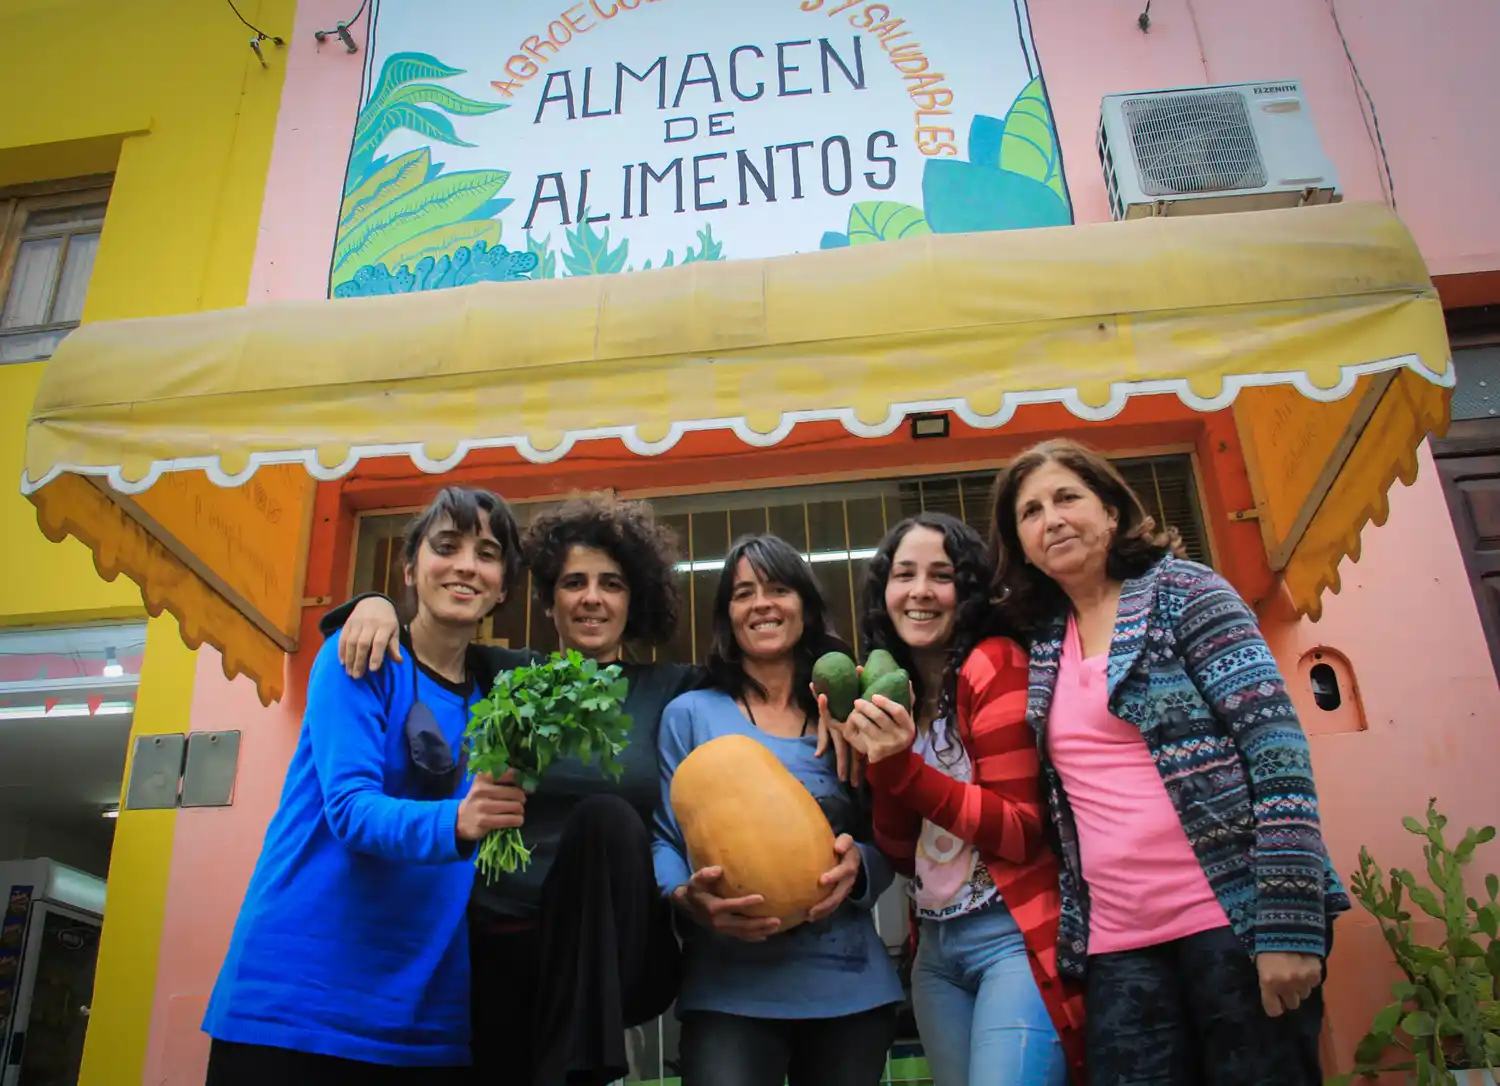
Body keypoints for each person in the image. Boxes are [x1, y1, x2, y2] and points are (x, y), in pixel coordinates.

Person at [988, 438, 1350, 1086]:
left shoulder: (1186, 593)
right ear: (1021, 544)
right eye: (1031, 511)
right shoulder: (1045, 640)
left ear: (1112, 510)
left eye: (1067, 497)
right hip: (1119, 944)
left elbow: (1278, 754)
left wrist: (1289, 923)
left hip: (1233, 921)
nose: (1052, 519)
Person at [320, 492, 697, 1086]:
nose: (592, 598)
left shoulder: (677, 690)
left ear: (636, 598)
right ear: (549, 601)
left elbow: (768, 670)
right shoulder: (500, 674)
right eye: (573, 582)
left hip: (618, 952)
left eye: (612, 584)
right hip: (502, 946)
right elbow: (433, 633)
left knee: (606, 817)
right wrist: (374, 605)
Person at [202, 486, 528, 1085]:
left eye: (486, 553)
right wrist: (458, 821)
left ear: (504, 585)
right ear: (411, 569)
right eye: (446, 546)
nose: (464, 565)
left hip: (424, 1023)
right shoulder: (360, 656)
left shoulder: (499, 700)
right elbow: (349, 810)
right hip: (297, 1000)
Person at [832, 511, 1085, 1086]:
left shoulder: (993, 663)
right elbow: (902, 856)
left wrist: (903, 767)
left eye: (941, 575)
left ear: (966, 590)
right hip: (934, 954)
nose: (920, 591)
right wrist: (881, 764)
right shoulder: (896, 692)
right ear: (885, 590)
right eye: (904, 574)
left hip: (1011, 937)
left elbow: (1021, 829)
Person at [652, 533, 904, 1086]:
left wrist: (862, 866)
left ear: (806, 606)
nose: (762, 603)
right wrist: (684, 898)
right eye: (743, 593)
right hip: (728, 992)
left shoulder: (849, 709)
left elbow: (890, 830)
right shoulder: (689, 715)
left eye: (779, 588)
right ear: (727, 615)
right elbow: (664, 838)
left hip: (850, 987)